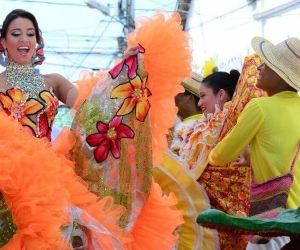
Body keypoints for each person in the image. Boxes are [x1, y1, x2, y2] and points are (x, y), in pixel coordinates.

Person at [206, 37, 300, 249]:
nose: (259, 66)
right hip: (296, 218)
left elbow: (220, 156)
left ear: (280, 74)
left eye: (266, 63)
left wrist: (208, 149)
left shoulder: (259, 107)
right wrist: (254, 159)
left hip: (274, 218)